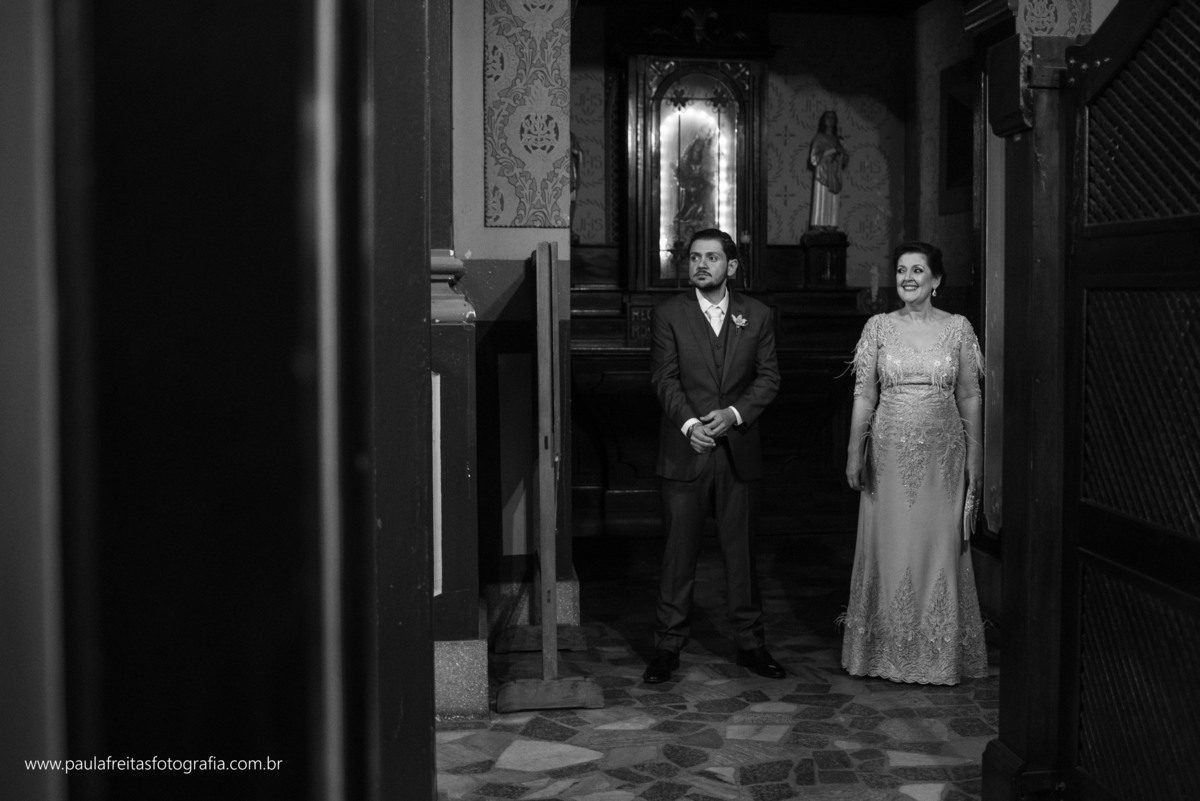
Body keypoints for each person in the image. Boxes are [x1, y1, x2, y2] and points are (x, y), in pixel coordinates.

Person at [840, 241, 988, 685]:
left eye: (917, 270)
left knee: (940, 546)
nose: (907, 277)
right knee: (888, 545)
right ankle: (881, 651)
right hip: (887, 457)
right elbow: (865, 393)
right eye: (901, 270)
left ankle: (939, 656)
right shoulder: (878, 327)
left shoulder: (959, 328)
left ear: (936, 280)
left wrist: (976, 459)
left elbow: (970, 394)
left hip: (944, 458)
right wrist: (853, 450)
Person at [644, 228, 784, 683]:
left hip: (738, 452)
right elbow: (664, 378)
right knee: (677, 554)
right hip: (686, 451)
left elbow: (769, 379)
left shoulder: (757, 315)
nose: (701, 264)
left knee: (741, 554)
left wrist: (734, 414)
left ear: (732, 267)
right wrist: (690, 425)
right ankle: (667, 647)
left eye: (712, 258)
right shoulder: (669, 314)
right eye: (695, 258)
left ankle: (750, 644)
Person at [808, 110, 850, 230]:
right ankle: (819, 223)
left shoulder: (838, 140)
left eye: (833, 118)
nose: (830, 120)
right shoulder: (819, 138)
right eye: (828, 117)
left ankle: (831, 224)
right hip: (822, 174)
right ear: (824, 120)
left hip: (835, 173)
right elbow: (814, 159)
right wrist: (832, 151)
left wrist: (841, 154)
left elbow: (845, 159)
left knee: (832, 200)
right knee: (821, 199)